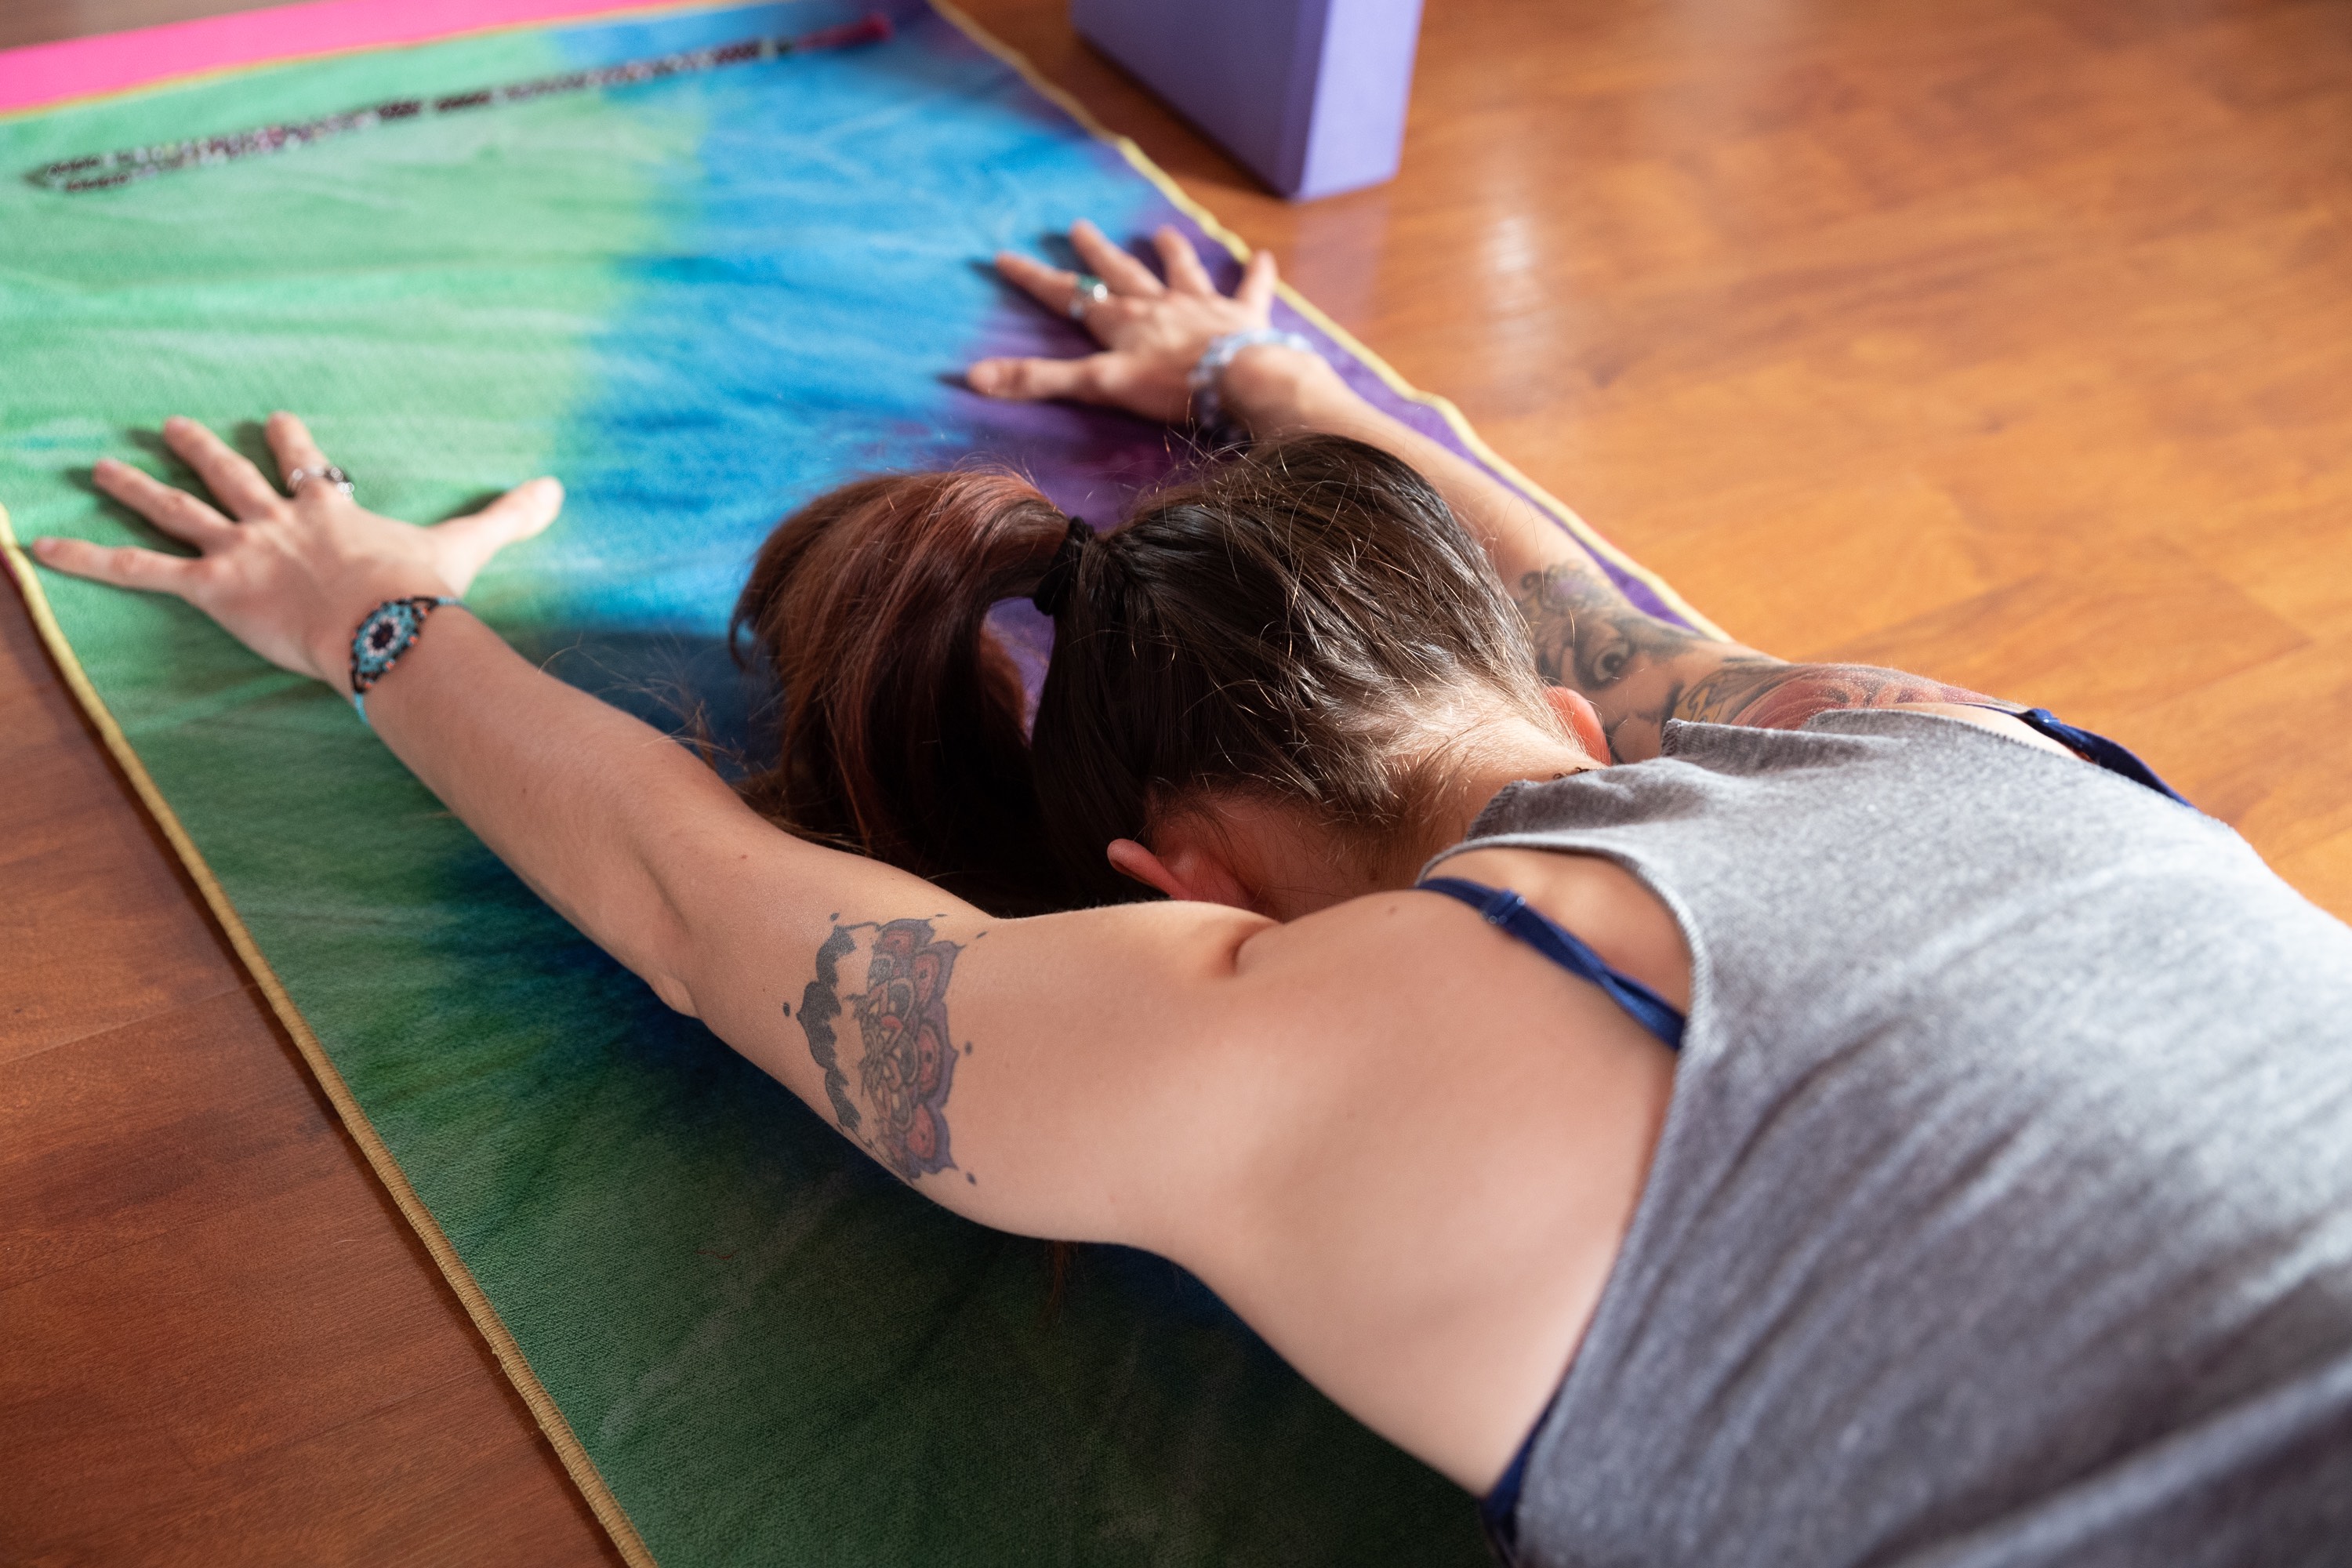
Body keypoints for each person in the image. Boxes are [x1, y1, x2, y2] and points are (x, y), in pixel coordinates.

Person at [30, 222, 2352, 1566]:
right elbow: (1565, 591)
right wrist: (1251, 365)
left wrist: (369, 608)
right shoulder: (1911, 730)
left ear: (1178, 877)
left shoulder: (1273, 1035)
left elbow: (686, 895)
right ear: (1547, 713)